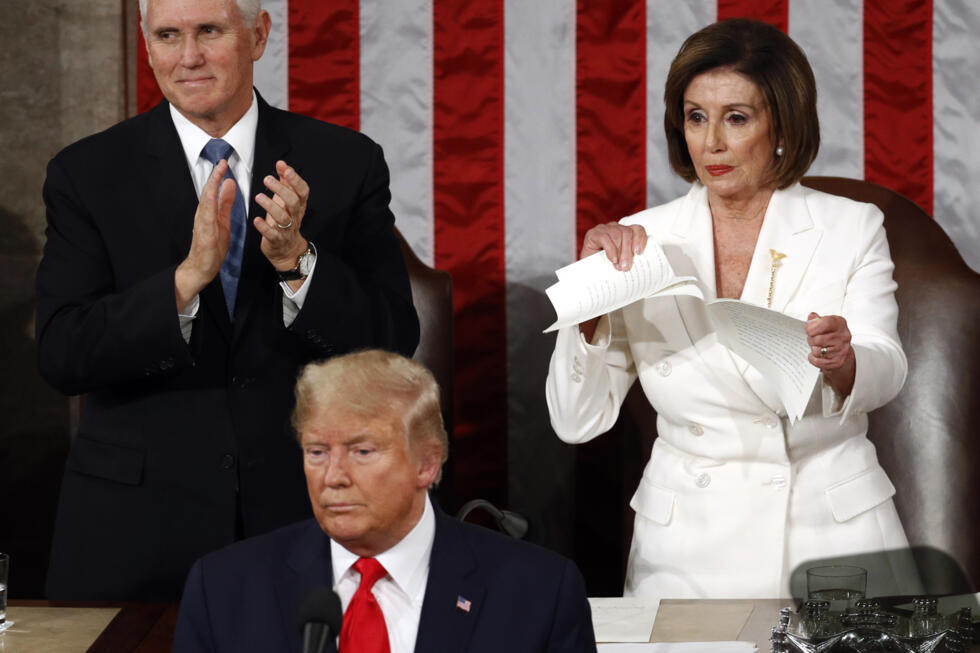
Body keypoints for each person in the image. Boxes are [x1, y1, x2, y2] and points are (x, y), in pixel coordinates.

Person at [35, 0, 419, 600]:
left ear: (258, 35)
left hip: (303, 515)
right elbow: (62, 352)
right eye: (167, 35)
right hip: (135, 531)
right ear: (146, 42)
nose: (188, 56)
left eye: (209, 31)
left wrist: (297, 262)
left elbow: (394, 339)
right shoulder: (86, 173)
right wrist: (184, 282)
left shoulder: (345, 162)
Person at [546, 18, 917, 599]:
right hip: (687, 544)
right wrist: (588, 308)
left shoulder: (852, 225)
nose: (711, 142)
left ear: (782, 129)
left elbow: (887, 365)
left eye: (736, 118)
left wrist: (843, 361)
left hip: (832, 536)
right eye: (696, 117)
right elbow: (576, 420)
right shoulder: (640, 239)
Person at [174, 350, 596, 652]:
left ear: (427, 463)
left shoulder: (537, 593)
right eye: (317, 452)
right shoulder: (225, 590)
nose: (334, 477)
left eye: (362, 452)